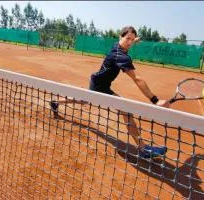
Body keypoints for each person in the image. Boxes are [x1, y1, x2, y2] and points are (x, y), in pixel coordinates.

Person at [50, 26, 170, 158]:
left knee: (83, 100)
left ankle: (55, 102)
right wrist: (155, 100)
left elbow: (128, 41)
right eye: (127, 38)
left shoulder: (117, 46)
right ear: (121, 37)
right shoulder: (121, 57)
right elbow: (137, 79)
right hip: (99, 87)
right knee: (126, 111)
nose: (129, 42)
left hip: (99, 83)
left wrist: (134, 40)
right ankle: (143, 149)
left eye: (132, 39)